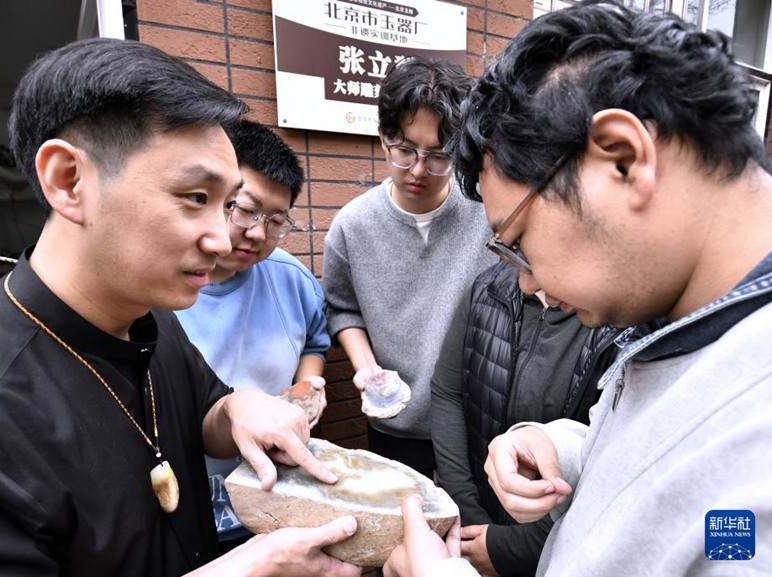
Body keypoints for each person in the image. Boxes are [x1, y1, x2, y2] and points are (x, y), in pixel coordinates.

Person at [0, 38, 361, 577]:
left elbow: (206, 414)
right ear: (68, 180)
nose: (223, 239)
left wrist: (240, 407)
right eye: (197, 198)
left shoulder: (151, 316)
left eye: (226, 204)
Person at [385, 0, 772, 575]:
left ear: (622, 159)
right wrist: (563, 446)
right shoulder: (686, 319)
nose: (523, 277)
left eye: (517, 238)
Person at [322, 56, 497, 478]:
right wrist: (366, 367)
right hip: (395, 419)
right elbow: (342, 308)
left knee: (468, 537)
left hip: (478, 421)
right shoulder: (352, 225)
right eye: (404, 151)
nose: (419, 170)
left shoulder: (488, 213)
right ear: (384, 138)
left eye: (439, 156)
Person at [174, 118, 330, 552]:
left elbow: (315, 341)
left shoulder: (292, 279)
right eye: (244, 209)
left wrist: (308, 384)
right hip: (185, 508)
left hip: (276, 500)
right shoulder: (159, 287)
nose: (258, 233)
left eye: (277, 220)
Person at [431, 259, 619, 576]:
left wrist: (521, 547)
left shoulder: (627, 321)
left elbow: (612, 460)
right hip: (474, 515)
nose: (525, 282)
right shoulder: (489, 287)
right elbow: (448, 392)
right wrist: (466, 508)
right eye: (506, 247)